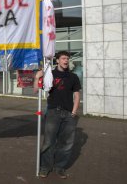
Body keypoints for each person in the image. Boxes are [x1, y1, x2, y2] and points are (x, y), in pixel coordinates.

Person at [34, 51, 81, 179]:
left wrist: (74, 112)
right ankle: (45, 167)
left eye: (67, 58)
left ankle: (60, 167)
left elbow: (76, 95)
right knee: (48, 142)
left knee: (66, 143)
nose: (66, 60)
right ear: (58, 60)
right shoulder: (50, 74)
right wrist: (37, 78)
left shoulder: (73, 77)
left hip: (68, 114)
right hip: (53, 112)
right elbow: (35, 90)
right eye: (63, 58)